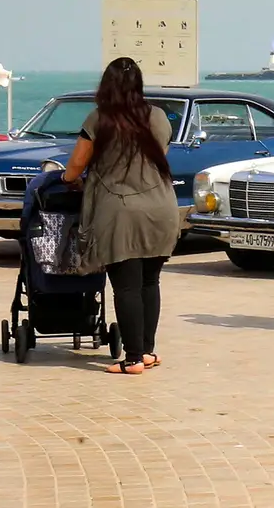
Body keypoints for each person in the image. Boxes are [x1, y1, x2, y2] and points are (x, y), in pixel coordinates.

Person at [61, 57, 180, 374]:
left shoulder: (99, 119)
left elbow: (75, 165)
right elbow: (159, 155)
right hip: (161, 208)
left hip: (120, 211)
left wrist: (67, 181)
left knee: (126, 286)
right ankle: (148, 351)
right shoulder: (158, 116)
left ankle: (133, 358)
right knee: (149, 282)